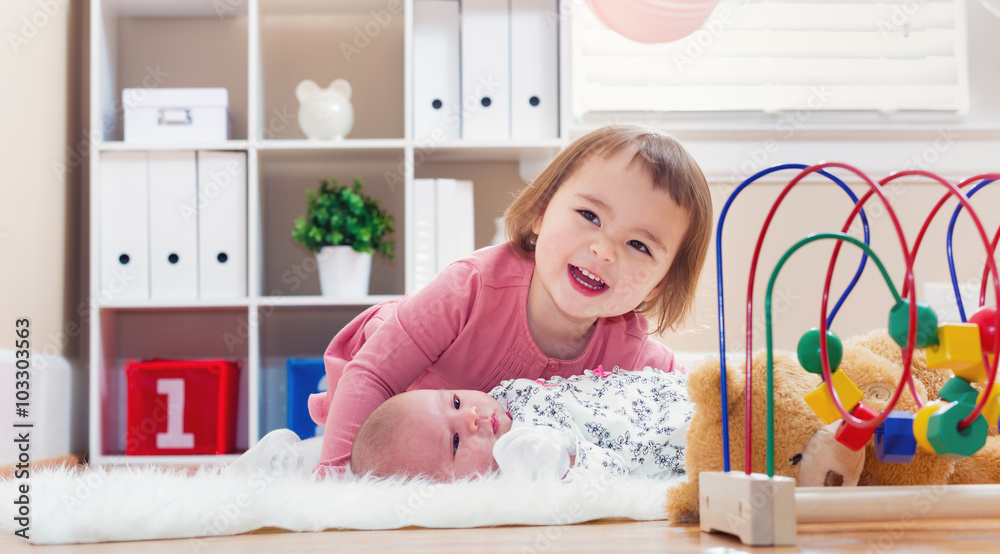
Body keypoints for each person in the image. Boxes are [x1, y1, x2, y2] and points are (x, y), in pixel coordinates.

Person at [307, 124, 713, 475]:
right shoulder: (469, 288)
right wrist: (335, 477)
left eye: (639, 244)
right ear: (540, 212)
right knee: (374, 444)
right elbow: (374, 374)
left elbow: (691, 406)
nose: (605, 250)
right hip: (397, 389)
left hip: (471, 443)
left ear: (658, 284)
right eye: (590, 216)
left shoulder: (637, 356)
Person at [349, 367, 691, 481]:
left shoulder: (506, 394)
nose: (470, 416)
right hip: (678, 435)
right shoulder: (527, 462)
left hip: (667, 387)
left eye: (455, 401)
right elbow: (613, 475)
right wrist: (563, 462)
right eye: (454, 443)